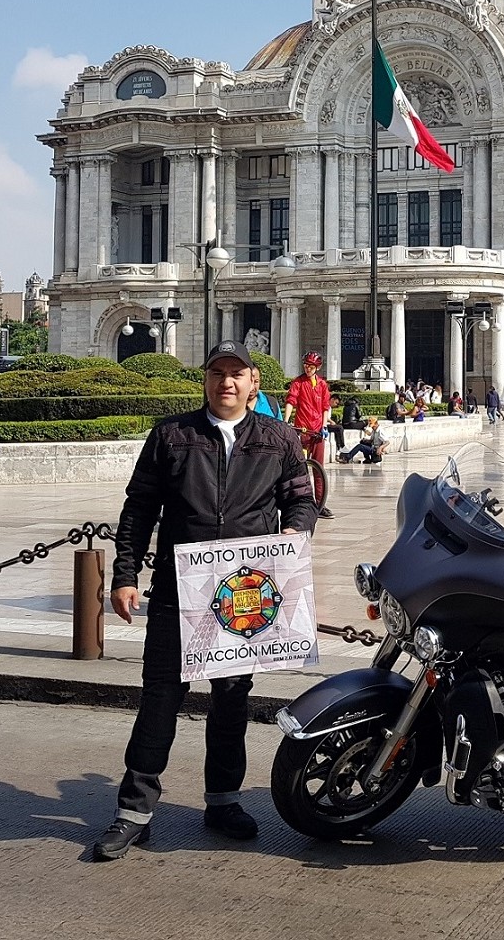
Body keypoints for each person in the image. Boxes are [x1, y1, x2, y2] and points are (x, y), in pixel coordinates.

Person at [93, 340, 318, 861]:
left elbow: (301, 501)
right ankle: (134, 811)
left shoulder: (278, 439)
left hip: (244, 594)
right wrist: (125, 575)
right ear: (206, 379)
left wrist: (292, 537)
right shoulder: (172, 435)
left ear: (254, 381)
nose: (227, 382)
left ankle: (223, 800)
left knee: (232, 699)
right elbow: (139, 509)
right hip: (180, 591)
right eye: (218, 373)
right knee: (160, 698)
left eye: (237, 373)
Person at [283, 351, 334, 519]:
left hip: (317, 431)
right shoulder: (298, 382)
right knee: (300, 468)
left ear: (317, 367)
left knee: (319, 469)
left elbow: (325, 406)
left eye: (311, 366)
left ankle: (320, 504)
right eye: (306, 365)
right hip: (302, 431)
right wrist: (286, 420)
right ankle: (301, 503)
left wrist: (324, 425)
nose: (307, 369)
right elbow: (291, 401)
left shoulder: (322, 384)